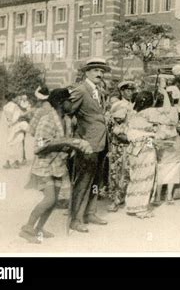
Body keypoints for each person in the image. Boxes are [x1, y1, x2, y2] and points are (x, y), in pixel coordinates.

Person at [20, 88, 93, 244]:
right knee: (50, 199)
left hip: (59, 165)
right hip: (45, 165)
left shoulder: (66, 121)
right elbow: (39, 146)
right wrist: (67, 142)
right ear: (61, 103)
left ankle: (39, 228)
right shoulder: (47, 120)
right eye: (69, 101)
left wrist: (75, 147)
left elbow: (67, 141)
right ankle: (27, 228)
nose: (72, 104)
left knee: (53, 202)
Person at [68, 57, 111, 232]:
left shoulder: (98, 91)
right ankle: (75, 219)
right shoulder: (81, 90)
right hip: (87, 144)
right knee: (83, 181)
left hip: (101, 143)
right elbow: (67, 111)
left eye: (102, 71)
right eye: (96, 70)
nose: (100, 74)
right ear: (87, 72)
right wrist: (76, 137)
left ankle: (90, 212)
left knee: (96, 180)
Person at [124, 90, 175, 218]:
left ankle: (132, 205)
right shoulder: (149, 112)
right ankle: (141, 209)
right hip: (145, 146)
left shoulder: (133, 114)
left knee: (135, 177)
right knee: (146, 177)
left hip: (133, 148)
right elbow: (169, 115)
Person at [153, 88, 180, 205]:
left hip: (167, 141)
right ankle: (165, 195)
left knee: (164, 168)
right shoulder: (171, 111)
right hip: (169, 141)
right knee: (167, 168)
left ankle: (162, 195)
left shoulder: (159, 111)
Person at [106, 99, 133, 212]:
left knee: (125, 173)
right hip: (116, 147)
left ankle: (121, 198)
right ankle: (114, 200)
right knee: (114, 173)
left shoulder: (132, 111)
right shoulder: (115, 112)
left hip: (127, 147)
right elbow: (115, 132)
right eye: (126, 90)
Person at [2, 93, 29, 169]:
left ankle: (8, 161)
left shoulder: (5, 106)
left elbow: (5, 118)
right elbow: (21, 115)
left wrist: (8, 123)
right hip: (15, 126)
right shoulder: (15, 106)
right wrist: (29, 111)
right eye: (17, 98)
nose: (18, 99)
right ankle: (14, 161)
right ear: (13, 98)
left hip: (9, 126)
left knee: (9, 143)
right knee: (17, 142)